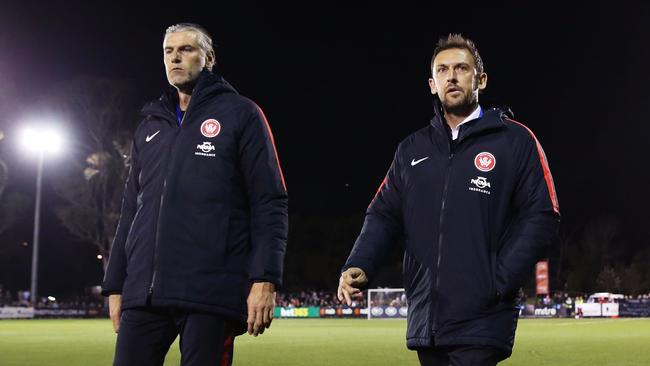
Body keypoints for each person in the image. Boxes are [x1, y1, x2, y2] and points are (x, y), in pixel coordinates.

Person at [337, 34, 559, 366]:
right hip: (428, 319)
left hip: (483, 317)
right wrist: (359, 263)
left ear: (480, 79)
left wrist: (497, 281)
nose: (451, 76)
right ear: (431, 84)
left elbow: (542, 214)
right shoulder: (411, 150)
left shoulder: (515, 140)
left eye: (461, 68)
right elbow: (383, 214)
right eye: (442, 70)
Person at [102, 23, 288, 366]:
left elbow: (269, 201)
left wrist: (265, 278)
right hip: (144, 293)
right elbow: (131, 210)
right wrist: (115, 285)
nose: (175, 57)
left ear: (210, 58)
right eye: (168, 51)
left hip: (209, 292)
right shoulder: (150, 125)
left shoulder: (241, 114)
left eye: (186, 49)